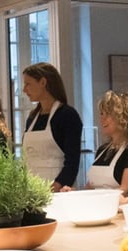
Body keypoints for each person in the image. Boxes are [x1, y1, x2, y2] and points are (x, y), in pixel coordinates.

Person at [21, 62, 83, 192]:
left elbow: (72, 161)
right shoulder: (32, 118)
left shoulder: (67, 115)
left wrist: (56, 186)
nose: (24, 89)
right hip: (31, 190)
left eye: (28, 84)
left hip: (56, 191)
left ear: (43, 82)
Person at [87, 91, 128, 195]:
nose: (102, 119)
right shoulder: (102, 150)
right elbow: (89, 187)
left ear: (124, 116)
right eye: (101, 113)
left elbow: (126, 190)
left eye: (108, 114)